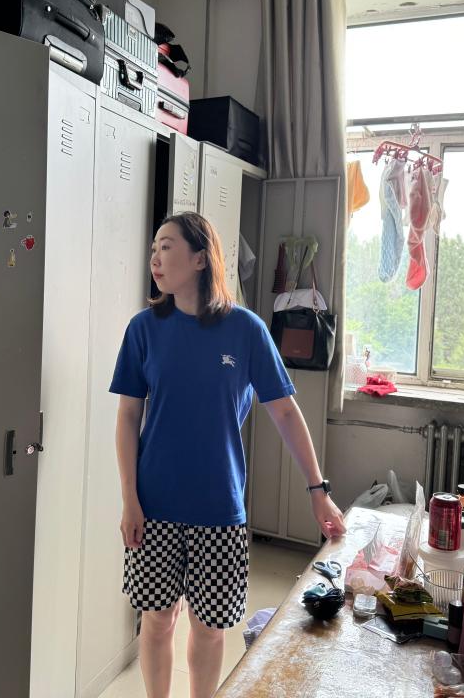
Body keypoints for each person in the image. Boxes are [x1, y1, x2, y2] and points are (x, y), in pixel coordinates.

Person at [110, 212, 346, 698]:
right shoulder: (143, 329)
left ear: (201, 258)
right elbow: (128, 417)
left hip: (219, 508)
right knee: (157, 621)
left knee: (209, 628)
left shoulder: (245, 330)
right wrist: (129, 499)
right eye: (154, 248)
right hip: (153, 507)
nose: (155, 258)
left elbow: (285, 412)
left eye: (167, 247)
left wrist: (317, 490)